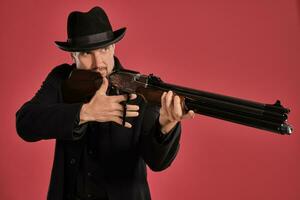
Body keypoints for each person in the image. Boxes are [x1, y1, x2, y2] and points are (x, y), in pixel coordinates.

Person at [16, 6, 195, 200]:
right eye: (86, 53)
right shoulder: (61, 79)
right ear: (72, 55)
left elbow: (158, 162)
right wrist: (84, 113)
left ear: (114, 47)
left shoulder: (139, 89)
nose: (98, 62)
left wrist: (167, 125)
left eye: (104, 49)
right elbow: (25, 123)